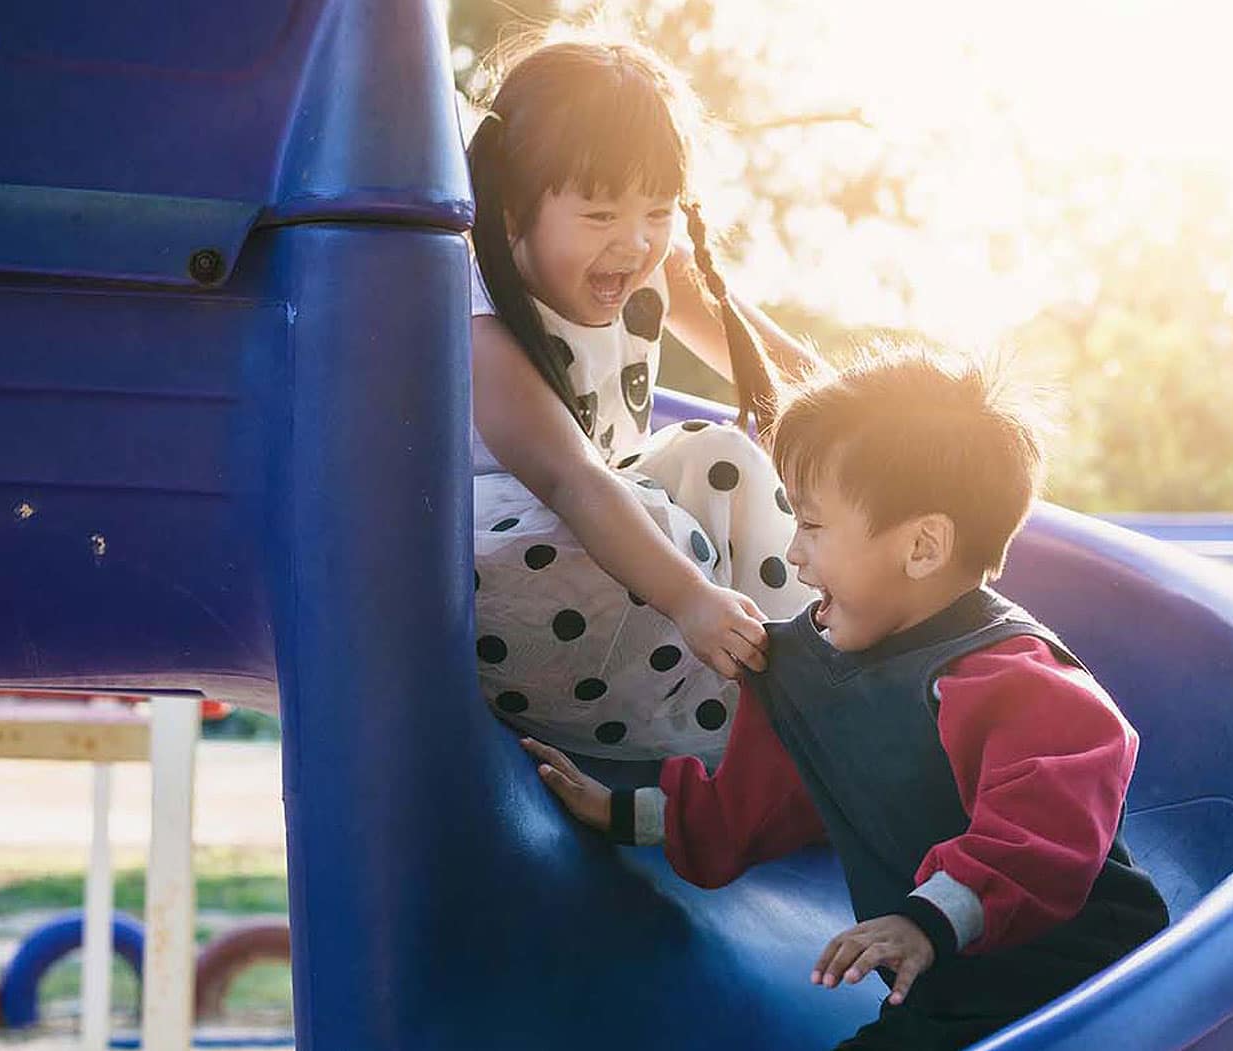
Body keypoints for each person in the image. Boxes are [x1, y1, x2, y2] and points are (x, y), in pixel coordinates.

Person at [525, 350, 1170, 1050]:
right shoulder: (810, 668)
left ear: (923, 545)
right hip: (945, 996)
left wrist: (925, 919)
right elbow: (752, 805)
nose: (795, 555)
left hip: (1100, 989)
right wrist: (620, 810)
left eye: (813, 525)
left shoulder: (1019, 681)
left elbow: (1043, 837)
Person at [466, 29, 825, 763]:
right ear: (511, 210)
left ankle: (819, 678)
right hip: (502, 585)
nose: (634, 242)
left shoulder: (657, 268)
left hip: (618, 566)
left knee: (719, 453)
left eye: (657, 211)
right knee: (658, 517)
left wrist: (897, 423)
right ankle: (723, 733)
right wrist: (692, 596)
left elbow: (783, 375)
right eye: (600, 215)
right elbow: (571, 477)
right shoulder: (479, 321)